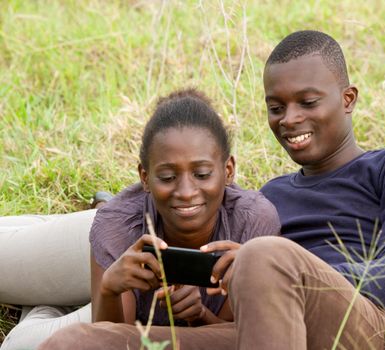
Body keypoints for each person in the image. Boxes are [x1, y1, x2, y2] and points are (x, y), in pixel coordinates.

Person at [40, 30, 385, 350]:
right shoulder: (270, 197)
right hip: (269, 335)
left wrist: (277, 275)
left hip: (373, 334)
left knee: (265, 256)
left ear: (347, 99)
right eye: (276, 108)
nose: (289, 119)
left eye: (307, 102)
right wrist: (211, 304)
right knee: (72, 343)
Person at [0, 89, 280, 349]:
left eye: (202, 174)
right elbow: (106, 338)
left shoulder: (253, 222)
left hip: (123, 304)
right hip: (111, 239)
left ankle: (47, 305)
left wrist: (200, 315)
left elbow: (236, 337)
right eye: (168, 178)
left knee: (18, 345)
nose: (185, 192)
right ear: (145, 177)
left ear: (228, 170)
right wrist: (109, 287)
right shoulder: (117, 225)